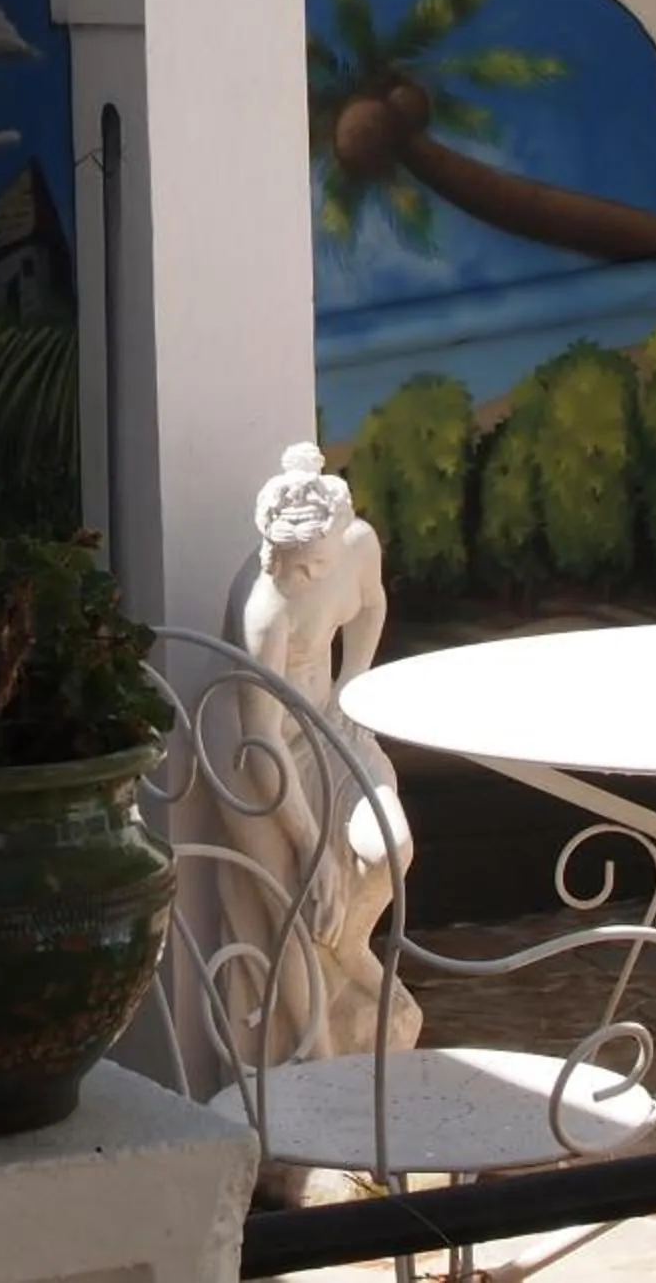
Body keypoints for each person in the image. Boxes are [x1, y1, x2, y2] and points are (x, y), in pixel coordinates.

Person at [208, 443, 421, 1060]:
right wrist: (310, 848)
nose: (297, 576)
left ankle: (352, 951)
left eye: (312, 563)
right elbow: (263, 738)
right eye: (288, 563)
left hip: (324, 726)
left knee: (390, 847)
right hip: (252, 754)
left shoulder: (358, 544)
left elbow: (371, 604)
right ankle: (319, 1068)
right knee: (295, 913)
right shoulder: (264, 610)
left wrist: (351, 683)